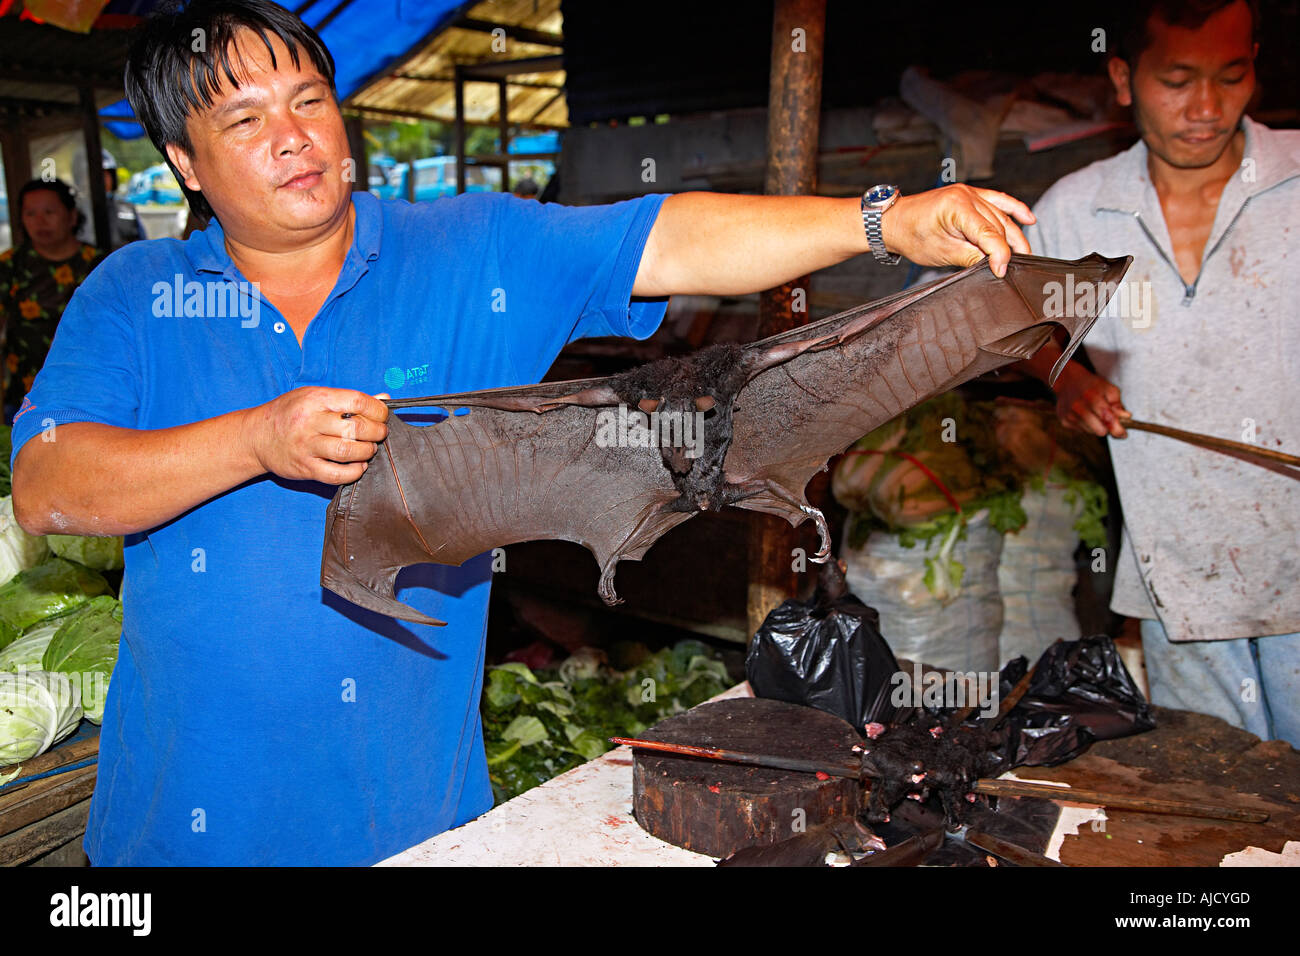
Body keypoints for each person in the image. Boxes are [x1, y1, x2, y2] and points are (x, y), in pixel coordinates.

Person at [10, 0, 1036, 865]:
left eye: (309, 100)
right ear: (187, 163)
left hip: (407, 821)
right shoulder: (135, 294)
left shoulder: (466, 248)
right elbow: (49, 483)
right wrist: (255, 439)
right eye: (244, 120)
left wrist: (883, 220)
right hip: (180, 831)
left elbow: (667, 233)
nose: (294, 136)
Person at [1018, 0, 1298, 745]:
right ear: (1122, 76)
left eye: (1231, 77)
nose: (1206, 108)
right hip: (1182, 578)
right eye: (1177, 81)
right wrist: (1064, 374)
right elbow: (1008, 317)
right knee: (1223, 806)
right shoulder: (1082, 214)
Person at [0, 179, 103, 423]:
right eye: (30, 213)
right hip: (24, 397)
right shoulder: (11, 265)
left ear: (72, 216)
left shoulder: (100, 266)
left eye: (49, 212)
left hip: (89, 397)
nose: (40, 221)